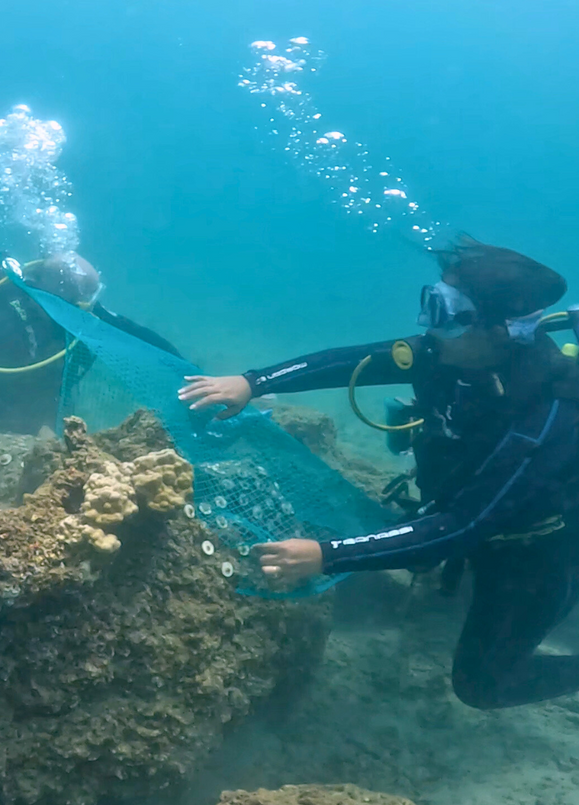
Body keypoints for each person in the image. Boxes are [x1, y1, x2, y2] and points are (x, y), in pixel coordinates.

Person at [179, 238, 579, 710]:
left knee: (482, 684)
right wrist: (254, 382)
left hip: (531, 554)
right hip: (459, 517)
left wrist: (328, 555)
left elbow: (466, 524)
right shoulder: (451, 351)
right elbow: (356, 360)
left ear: (501, 333)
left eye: (448, 313)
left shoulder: (549, 414)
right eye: (432, 302)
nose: (426, 327)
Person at [0, 253, 183, 434]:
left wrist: (183, 367)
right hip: (1, 419)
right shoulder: (3, 311)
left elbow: (131, 331)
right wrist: (16, 423)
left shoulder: (74, 309)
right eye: (84, 297)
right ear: (65, 297)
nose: (88, 306)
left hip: (47, 411)